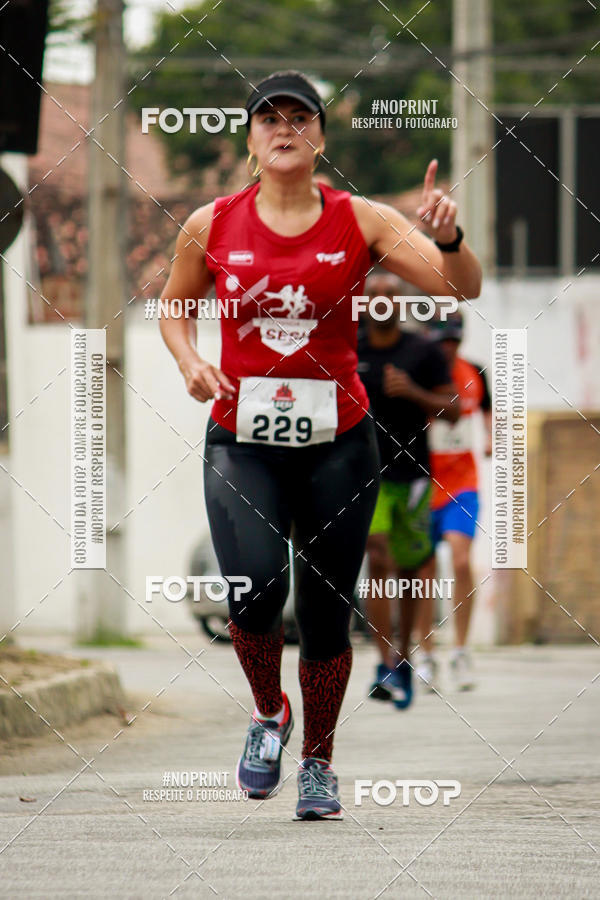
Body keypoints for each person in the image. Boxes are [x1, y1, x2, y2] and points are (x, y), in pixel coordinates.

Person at [159, 69, 481, 820]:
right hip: (242, 440)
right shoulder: (211, 223)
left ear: (320, 137)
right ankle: (269, 714)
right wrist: (189, 359)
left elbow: (458, 288)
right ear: (249, 138)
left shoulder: (362, 221)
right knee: (256, 588)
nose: (284, 127)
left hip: (339, 441)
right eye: (268, 118)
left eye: (299, 116)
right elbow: (173, 306)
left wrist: (450, 238)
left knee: (329, 612)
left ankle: (319, 763)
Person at [358, 275, 461, 710]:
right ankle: (383, 660)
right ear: (362, 304)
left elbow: (454, 408)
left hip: (413, 474)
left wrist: (413, 391)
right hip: (364, 474)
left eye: (390, 296)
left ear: (400, 304)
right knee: (377, 557)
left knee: (409, 568)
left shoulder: (423, 351)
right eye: (374, 296)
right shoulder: (349, 349)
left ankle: (403, 657)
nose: (382, 302)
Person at [417, 313, 492, 691]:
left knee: (461, 560)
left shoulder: (475, 372)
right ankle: (426, 654)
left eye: (454, 341)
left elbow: (486, 407)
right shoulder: (418, 371)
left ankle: (461, 651)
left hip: (463, 482)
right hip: (425, 483)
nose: (448, 349)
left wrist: (492, 437)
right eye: (441, 342)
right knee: (423, 570)